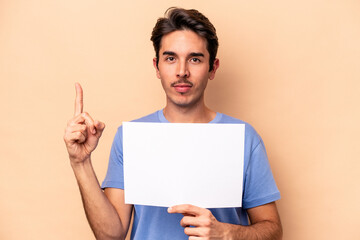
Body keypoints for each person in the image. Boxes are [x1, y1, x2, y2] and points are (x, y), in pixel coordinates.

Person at [64, 7, 282, 240]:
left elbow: (273, 229)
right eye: (170, 58)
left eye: (195, 59)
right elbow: (111, 235)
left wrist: (227, 232)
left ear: (212, 68)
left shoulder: (244, 138)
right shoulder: (131, 137)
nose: (182, 71)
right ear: (157, 66)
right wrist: (80, 162)